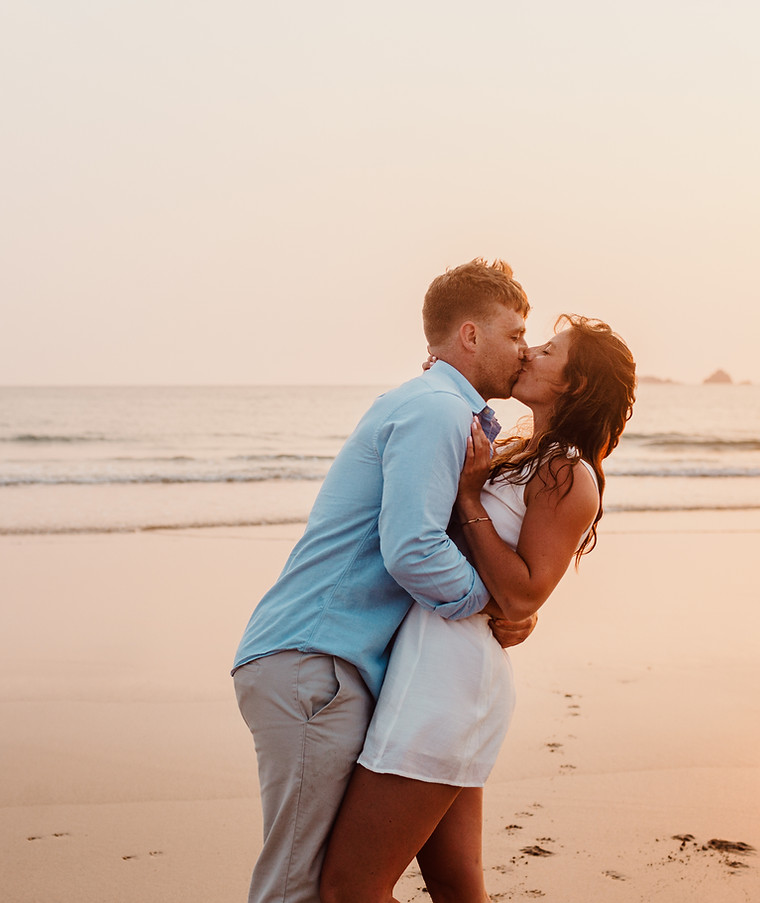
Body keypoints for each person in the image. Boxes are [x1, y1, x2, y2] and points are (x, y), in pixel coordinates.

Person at [232, 259, 538, 903]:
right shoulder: (435, 409)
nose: (524, 349)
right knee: (298, 888)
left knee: (339, 882)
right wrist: (493, 606)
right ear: (470, 335)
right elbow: (414, 548)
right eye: (514, 334)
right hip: (316, 663)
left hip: (329, 664)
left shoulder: (439, 408)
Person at [320, 315, 637, 903]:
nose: (529, 354)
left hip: (448, 684)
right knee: (453, 884)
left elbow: (521, 593)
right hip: (437, 669)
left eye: (547, 350)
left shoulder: (568, 472)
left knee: (349, 889)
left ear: (577, 384)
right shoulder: (525, 452)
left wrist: (469, 495)